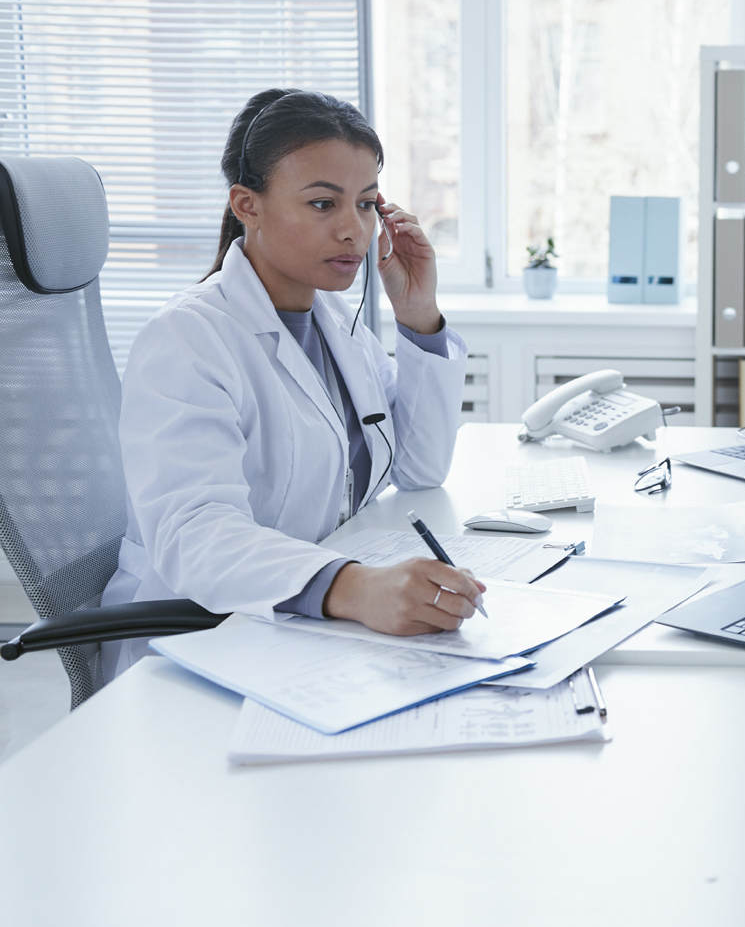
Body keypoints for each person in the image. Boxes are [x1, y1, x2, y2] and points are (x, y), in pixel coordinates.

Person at [101, 89, 483, 680]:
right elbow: (195, 536)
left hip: (304, 624)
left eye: (365, 204)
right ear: (246, 205)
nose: (354, 231)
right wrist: (357, 588)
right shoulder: (186, 339)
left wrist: (418, 314)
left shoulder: (334, 323)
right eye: (323, 204)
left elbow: (419, 467)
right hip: (204, 638)